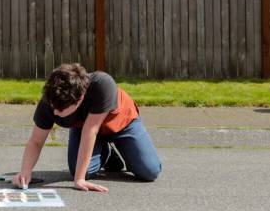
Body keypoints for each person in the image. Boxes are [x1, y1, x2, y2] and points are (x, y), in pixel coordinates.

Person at [13, 63, 161, 192]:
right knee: (82, 170)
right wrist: (25, 172)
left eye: (61, 108)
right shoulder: (51, 99)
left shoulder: (103, 84)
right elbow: (36, 141)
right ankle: (106, 153)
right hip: (86, 129)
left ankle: (126, 150)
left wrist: (79, 180)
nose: (55, 112)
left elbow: (91, 131)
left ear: (80, 99)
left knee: (149, 171)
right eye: (53, 107)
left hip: (121, 123)